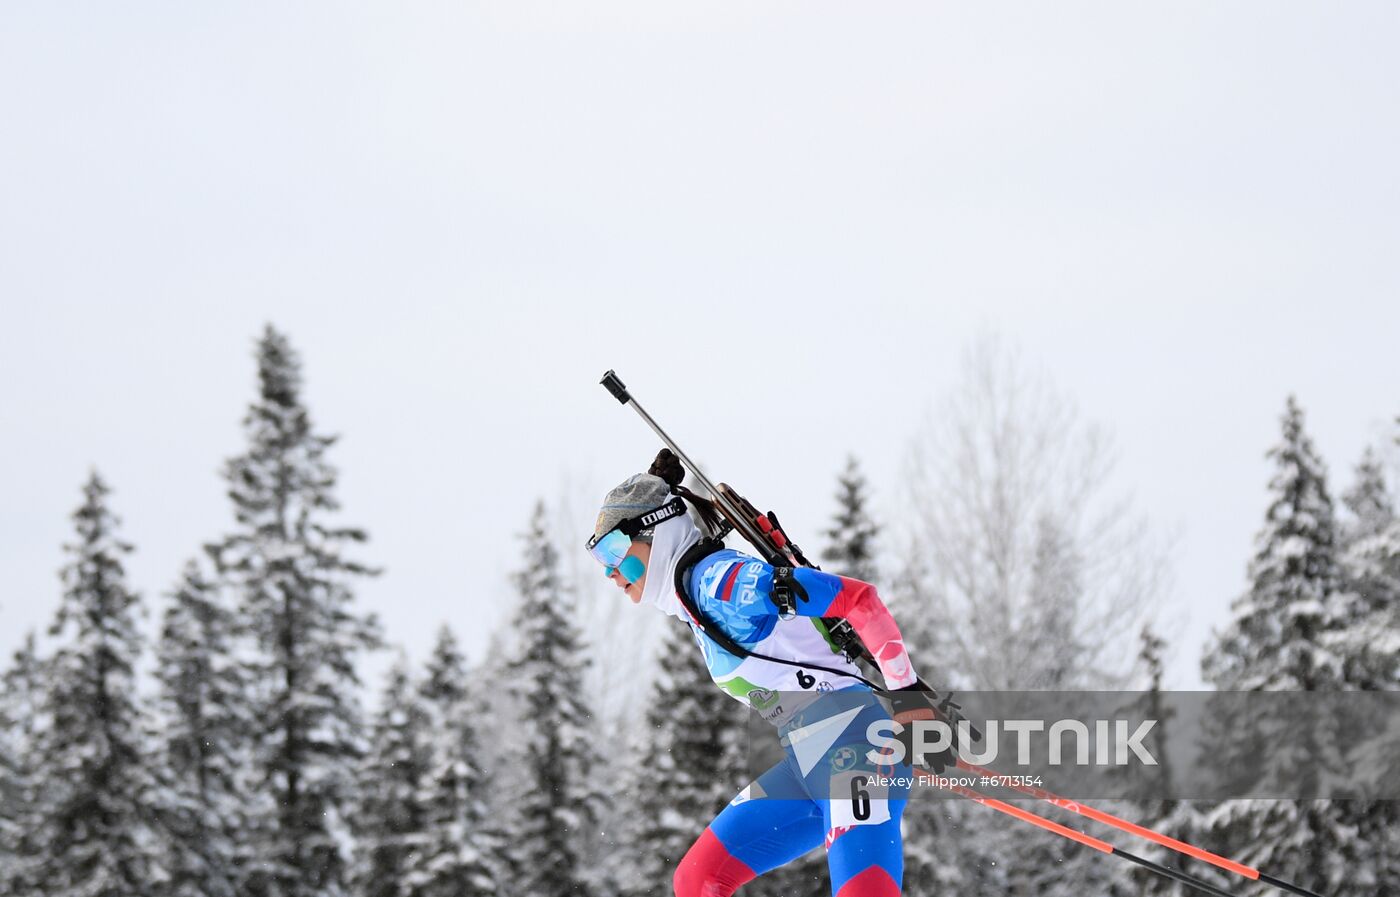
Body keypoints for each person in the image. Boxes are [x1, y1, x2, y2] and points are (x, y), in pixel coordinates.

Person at [587, 450, 944, 897]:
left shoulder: (722, 583)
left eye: (614, 550)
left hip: (858, 754)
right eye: (601, 559)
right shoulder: (694, 598)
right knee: (698, 880)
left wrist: (908, 694)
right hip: (805, 763)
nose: (610, 571)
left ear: (657, 532)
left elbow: (860, 601)